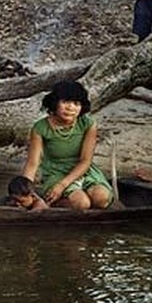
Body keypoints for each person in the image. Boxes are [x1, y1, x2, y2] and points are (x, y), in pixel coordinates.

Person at [19, 80, 114, 210]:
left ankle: (77, 197)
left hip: (84, 171)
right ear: (55, 103)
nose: (71, 108)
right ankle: (56, 202)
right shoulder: (40, 128)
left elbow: (85, 161)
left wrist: (62, 185)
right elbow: (32, 164)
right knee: (82, 203)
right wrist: (24, 190)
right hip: (56, 173)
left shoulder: (88, 124)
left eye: (76, 103)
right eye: (65, 102)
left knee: (101, 198)